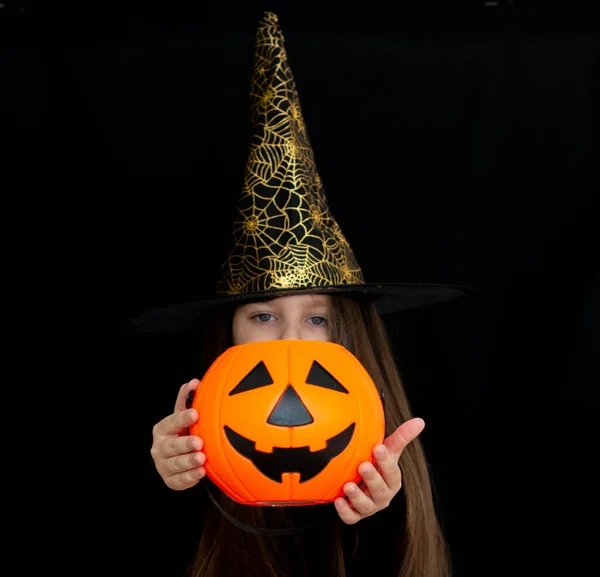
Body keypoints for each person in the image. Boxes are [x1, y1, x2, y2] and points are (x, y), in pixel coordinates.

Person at [130, 11, 469, 577]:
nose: (291, 342)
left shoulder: (389, 456)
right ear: (227, 331)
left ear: (352, 330)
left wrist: (382, 513)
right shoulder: (187, 439)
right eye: (263, 315)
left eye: (318, 320)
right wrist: (179, 486)